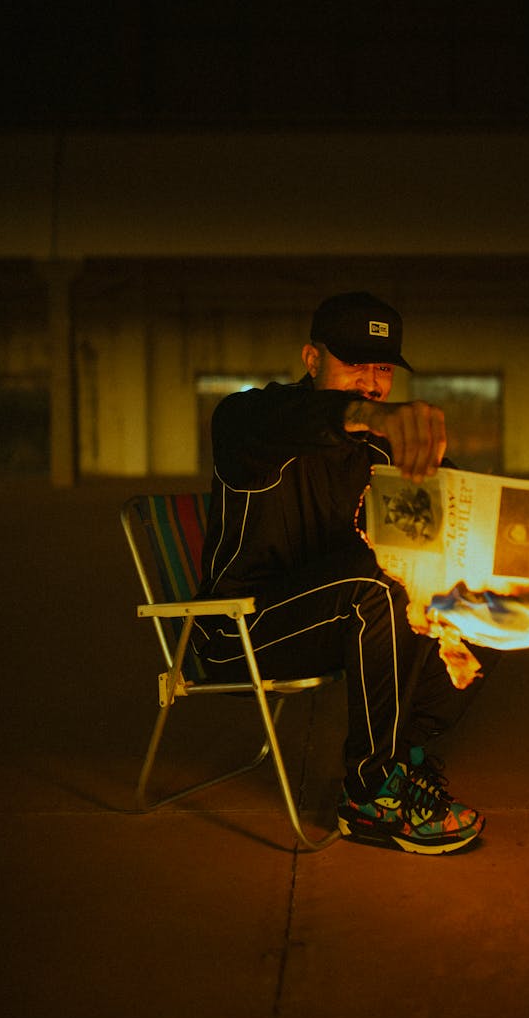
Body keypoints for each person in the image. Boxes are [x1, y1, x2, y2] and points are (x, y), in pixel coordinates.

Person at [192, 292, 500, 854]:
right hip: (238, 632)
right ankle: (370, 797)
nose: (371, 382)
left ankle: (406, 758)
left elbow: (459, 509)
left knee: (478, 591)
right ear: (312, 360)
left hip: (336, 622)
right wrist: (369, 417)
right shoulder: (255, 427)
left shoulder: (380, 451)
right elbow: (263, 418)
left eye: (382, 368)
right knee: (378, 585)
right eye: (354, 363)